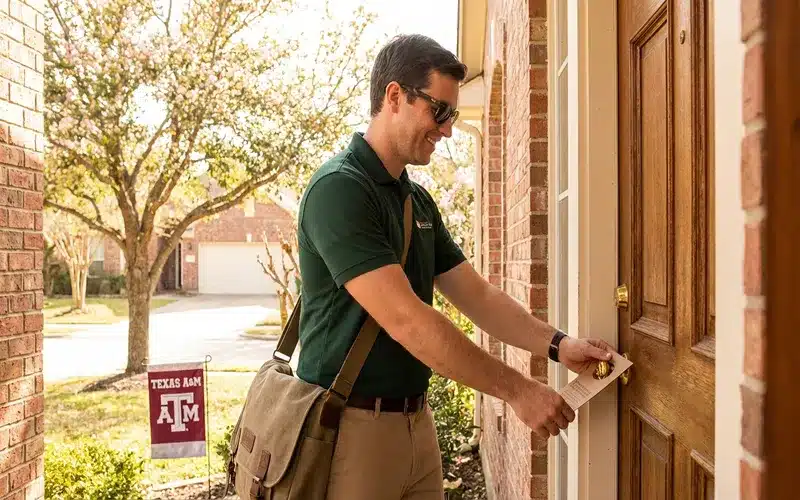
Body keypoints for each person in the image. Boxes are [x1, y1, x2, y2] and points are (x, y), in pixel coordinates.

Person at [295, 34, 614, 499]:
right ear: (395, 97)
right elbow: (410, 321)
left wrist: (559, 346)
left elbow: (478, 297)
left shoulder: (416, 200)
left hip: (416, 424)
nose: (447, 129)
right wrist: (519, 391)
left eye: (453, 115)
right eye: (439, 111)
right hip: (352, 431)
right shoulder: (339, 192)